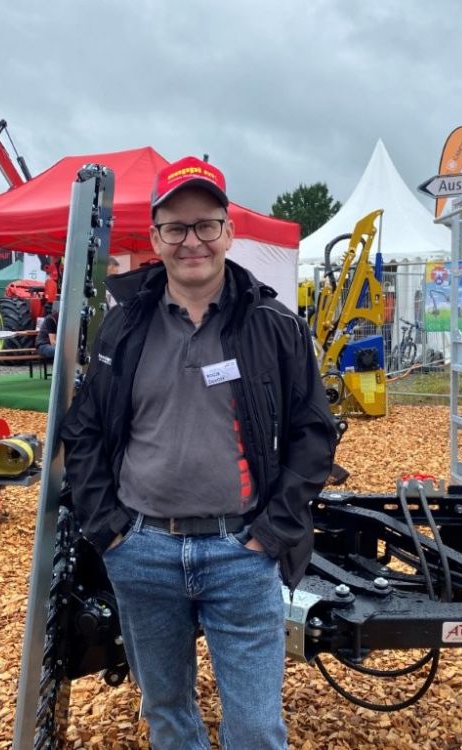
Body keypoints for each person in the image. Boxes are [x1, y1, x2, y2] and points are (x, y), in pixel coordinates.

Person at [62, 156, 337, 749]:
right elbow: (84, 429)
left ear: (229, 232)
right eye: (176, 228)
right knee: (166, 714)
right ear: (155, 238)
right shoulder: (123, 327)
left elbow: (313, 436)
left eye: (206, 225)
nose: (193, 241)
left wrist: (271, 532)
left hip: (241, 553)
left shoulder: (274, 326)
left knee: (258, 728)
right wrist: (108, 529)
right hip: (141, 551)